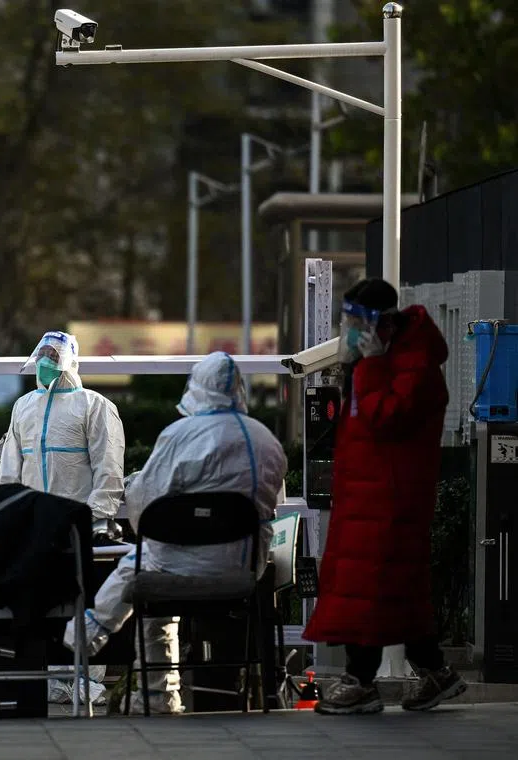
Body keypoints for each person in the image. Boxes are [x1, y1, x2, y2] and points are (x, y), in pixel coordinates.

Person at [63, 352, 287, 714]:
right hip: (243, 573)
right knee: (144, 564)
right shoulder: (266, 441)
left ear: (195, 388)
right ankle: (94, 635)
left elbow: (144, 507)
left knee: (142, 573)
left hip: (177, 569)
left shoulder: (179, 435)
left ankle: (152, 690)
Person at [305, 278, 467, 715]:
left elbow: (386, 418)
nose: (353, 333)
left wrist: (371, 367)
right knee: (394, 589)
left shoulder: (413, 365)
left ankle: (361, 679)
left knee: (373, 585)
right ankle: (435, 670)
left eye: (360, 323)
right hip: (368, 495)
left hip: (390, 497)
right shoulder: (374, 361)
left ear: (386, 324)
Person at [0, 330, 125, 705]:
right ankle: (55, 676)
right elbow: (11, 468)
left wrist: (97, 518)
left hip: (81, 523)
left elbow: (109, 468)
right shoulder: (23, 406)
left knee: (88, 601)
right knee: (45, 601)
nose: (47, 361)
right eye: (42, 353)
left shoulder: (94, 406)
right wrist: (12, 513)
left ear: (71, 360)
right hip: (36, 525)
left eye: (54, 354)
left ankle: (88, 677)